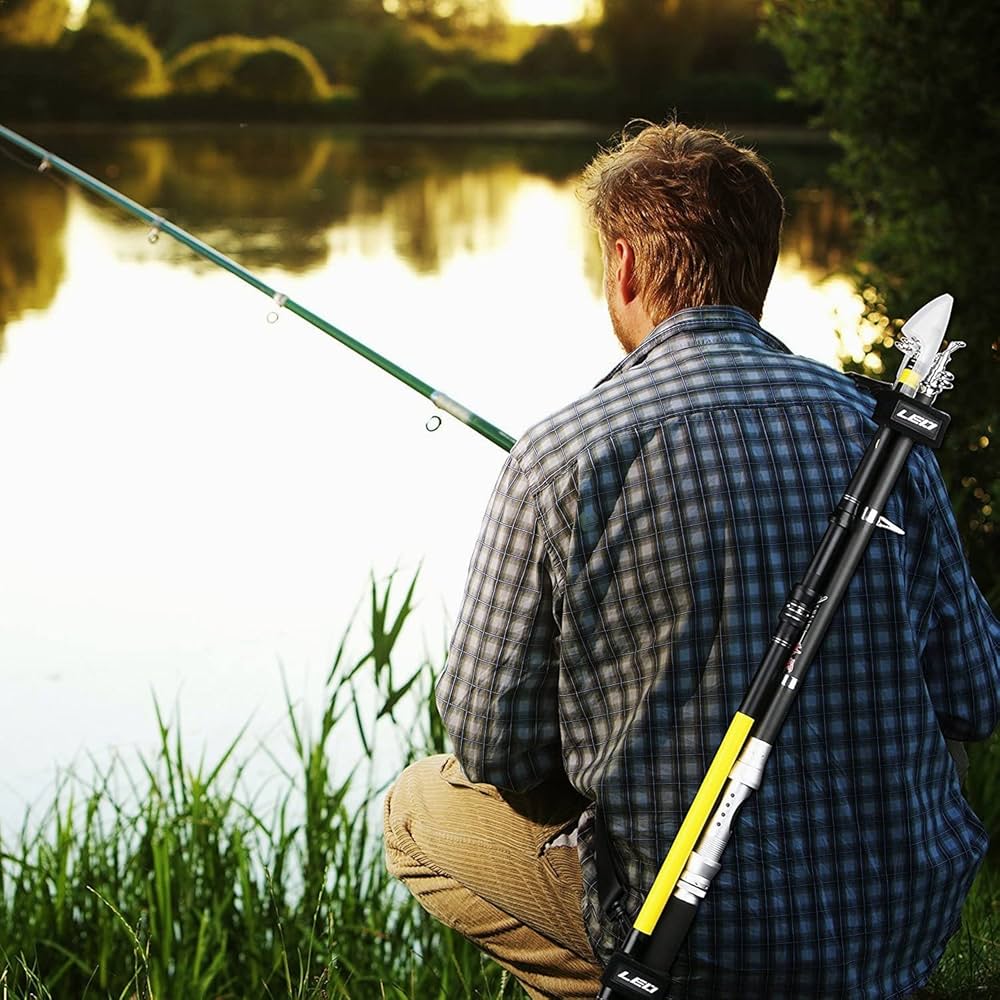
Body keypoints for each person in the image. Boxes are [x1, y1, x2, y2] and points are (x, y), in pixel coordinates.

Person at [382, 122, 1000, 999]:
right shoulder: (889, 439)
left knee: (417, 809)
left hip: (698, 941)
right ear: (762, 269)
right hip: (898, 938)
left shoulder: (560, 455)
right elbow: (976, 694)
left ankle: (637, 983)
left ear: (625, 266)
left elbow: (492, 748)